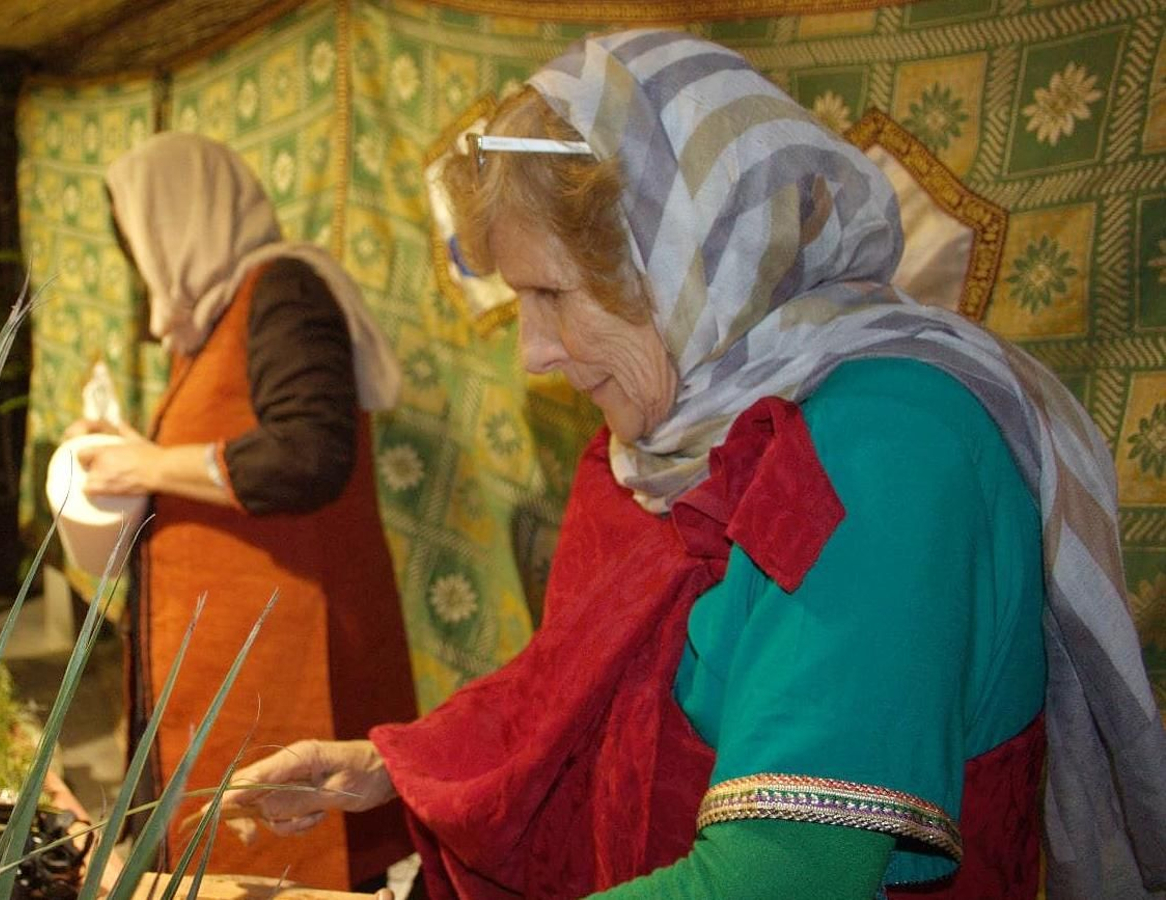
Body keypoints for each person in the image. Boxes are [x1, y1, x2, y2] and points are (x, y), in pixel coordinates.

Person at [219, 31, 1166, 900]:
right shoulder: (673, 430)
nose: (533, 354)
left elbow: (784, 876)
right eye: (521, 301)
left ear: (688, 261)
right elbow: (587, 679)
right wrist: (389, 763)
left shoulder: (889, 452)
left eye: (552, 294)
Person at [67, 132, 418, 891]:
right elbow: (223, 446)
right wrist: (133, 452)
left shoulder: (285, 290)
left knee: (289, 850)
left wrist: (151, 463)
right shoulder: (220, 315)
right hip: (232, 648)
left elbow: (309, 453)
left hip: (291, 651)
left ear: (182, 215)